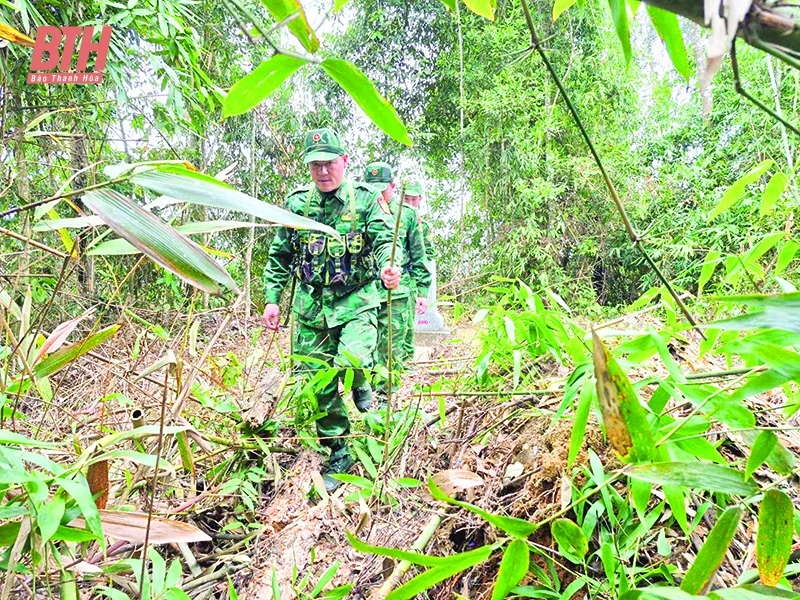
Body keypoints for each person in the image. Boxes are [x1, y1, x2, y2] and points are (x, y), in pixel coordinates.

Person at [262, 129, 402, 492]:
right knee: (318, 383)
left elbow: (387, 240)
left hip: (356, 302)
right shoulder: (297, 204)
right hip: (311, 309)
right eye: (315, 164)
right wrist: (273, 298)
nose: (323, 171)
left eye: (329, 162)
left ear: (344, 161)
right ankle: (339, 452)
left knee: (353, 360)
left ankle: (362, 383)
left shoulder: (366, 200)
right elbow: (280, 255)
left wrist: (391, 267)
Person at [364, 164, 431, 405]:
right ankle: (366, 392)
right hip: (365, 293)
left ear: (393, 186)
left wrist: (422, 292)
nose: (378, 195)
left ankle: (385, 400)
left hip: (398, 294)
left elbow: (419, 255)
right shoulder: (360, 209)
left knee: (391, 348)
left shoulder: (407, 215)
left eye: (383, 190)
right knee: (367, 345)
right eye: (373, 190)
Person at [401, 178, 434, 361]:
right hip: (399, 276)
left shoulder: (423, 225)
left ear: (420, 199)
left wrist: (422, 285)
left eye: (414, 199)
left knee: (407, 324)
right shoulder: (394, 218)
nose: (411, 203)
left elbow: (427, 254)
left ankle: (405, 363)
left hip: (413, 277)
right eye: (407, 199)